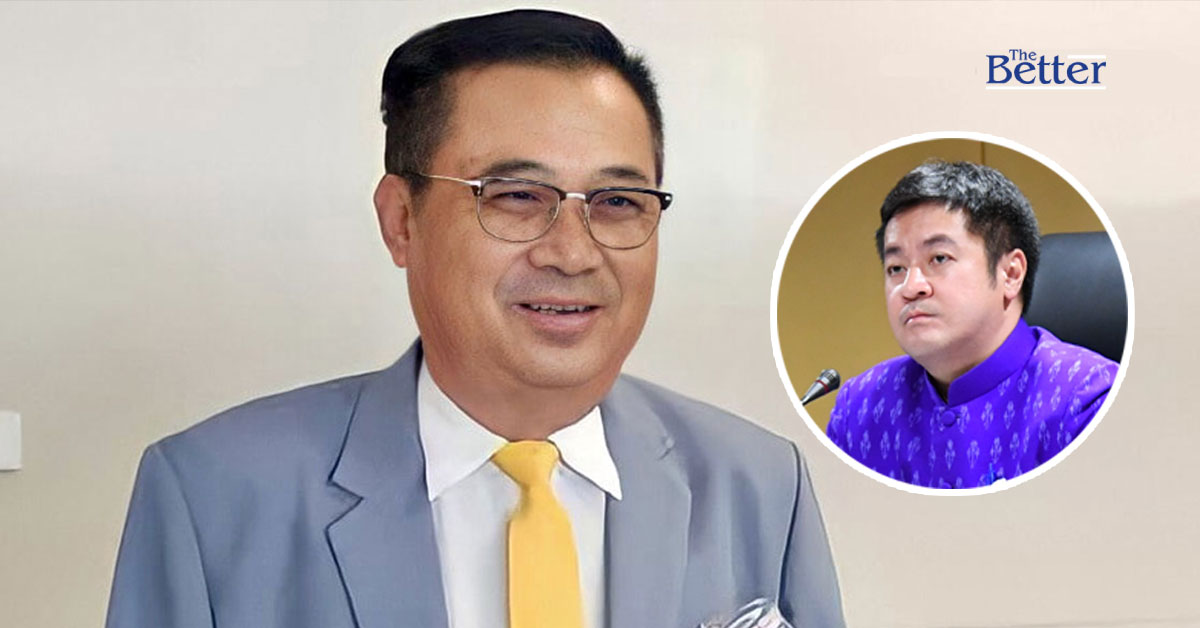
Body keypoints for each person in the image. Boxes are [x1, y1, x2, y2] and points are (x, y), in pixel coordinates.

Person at [105, 9, 844, 628]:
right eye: (517, 196)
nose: (573, 253)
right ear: (401, 220)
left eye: (618, 202)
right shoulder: (214, 494)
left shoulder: (757, 485)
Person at [827, 161, 1119, 490]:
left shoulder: (1088, 400)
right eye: (896, 268)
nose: (911, 287)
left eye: (939, 259)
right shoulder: (861, 407)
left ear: (1010, 274)